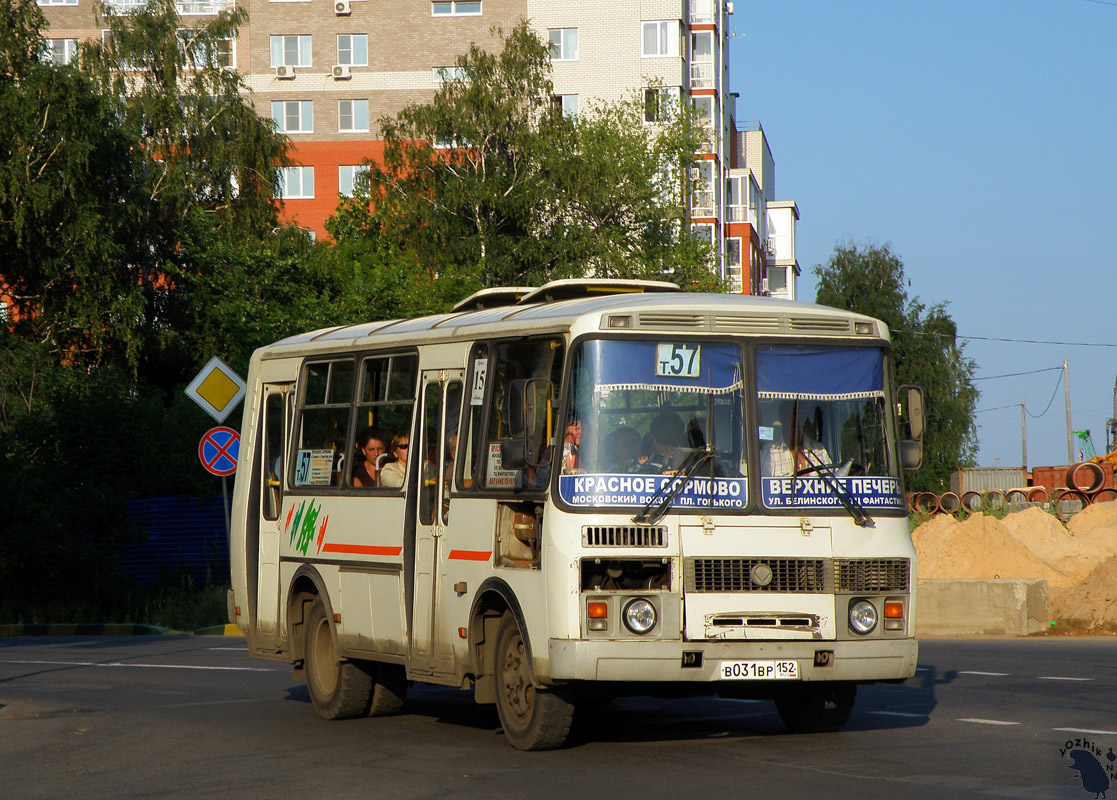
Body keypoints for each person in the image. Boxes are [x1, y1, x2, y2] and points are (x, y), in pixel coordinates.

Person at [761, 401, 831, 477]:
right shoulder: (770, 451)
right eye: (791, 415)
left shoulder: (819, 450)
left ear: (804, 419)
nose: (796, 420)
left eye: (800, 415)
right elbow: (763, 485)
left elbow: (833, 481)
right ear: (782, 418)